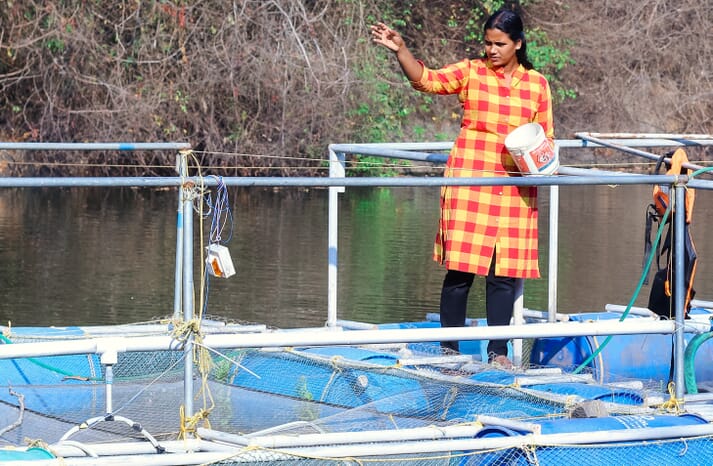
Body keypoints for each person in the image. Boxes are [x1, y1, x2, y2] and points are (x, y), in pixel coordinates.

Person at [371, 9, 554, 368]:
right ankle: (448, 350)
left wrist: (542, 163)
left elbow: (545, 137)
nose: (492, 50)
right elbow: (427, 80)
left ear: (518, 44)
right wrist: (401, 50)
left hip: (515, 188)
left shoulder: (537, 84)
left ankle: (497, 353)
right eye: (487, 43)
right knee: (460, 271)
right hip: (471, 182)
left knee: (503, 274)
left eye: (500, 44)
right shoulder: (472, 72)